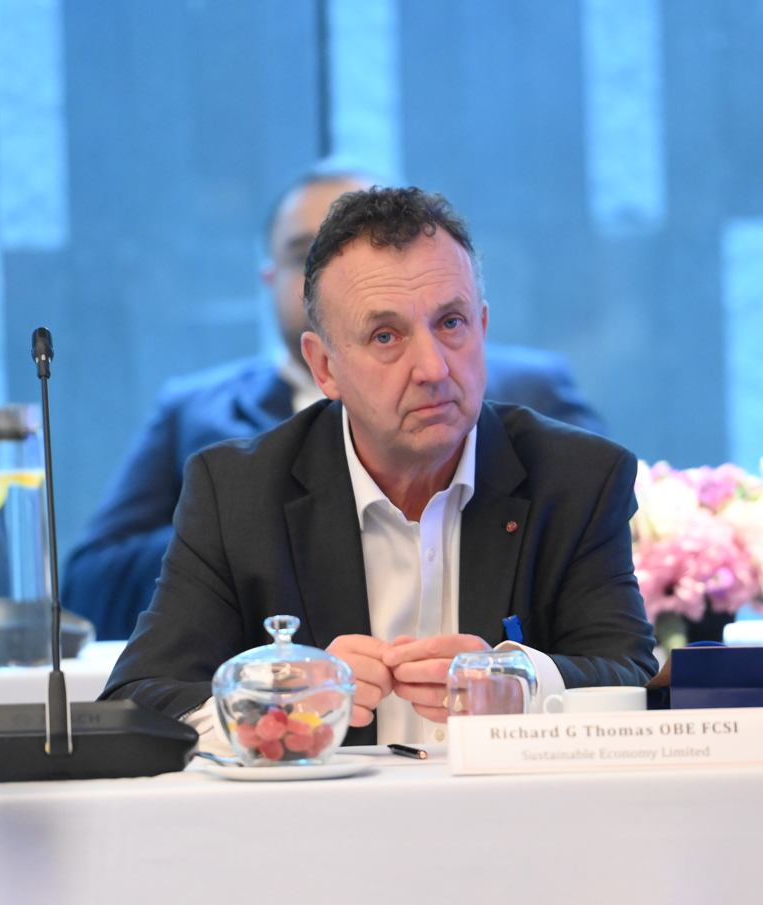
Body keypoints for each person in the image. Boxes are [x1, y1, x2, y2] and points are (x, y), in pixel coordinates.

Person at [101, 186, 657, 748]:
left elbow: (630, 677)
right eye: (385, 336)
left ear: (483, 327)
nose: (433, 368)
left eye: (451, 323)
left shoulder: (579, 478)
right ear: (324, 367)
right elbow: (138, 702)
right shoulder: (238, 494)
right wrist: (277, 703)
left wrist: (519, 684)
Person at [63, 165, 607, 641]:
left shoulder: (530, 397)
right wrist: (240, 533)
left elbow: (608, 555)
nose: (431, 369)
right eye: (311, 252)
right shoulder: (199, 423)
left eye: (450, 323)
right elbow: (90, 585)